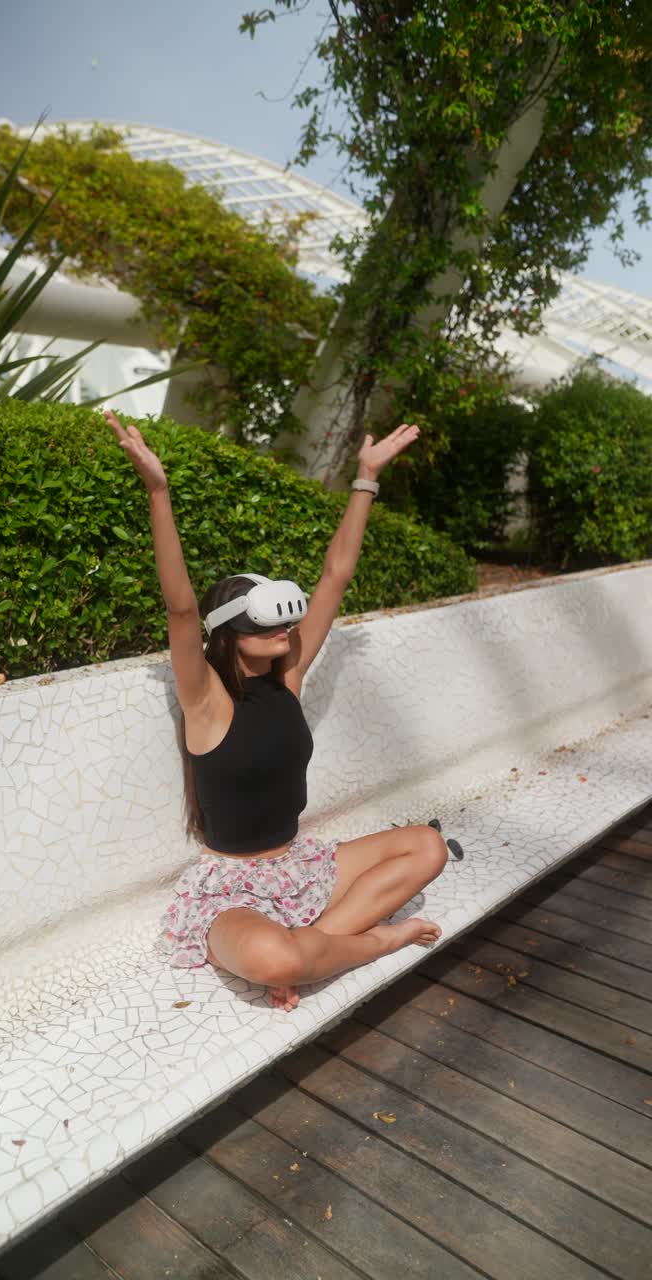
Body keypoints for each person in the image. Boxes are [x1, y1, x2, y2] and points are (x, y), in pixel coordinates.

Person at [105, 410, 447, 1012]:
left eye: (287, 625)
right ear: (229, 636)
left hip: (299, 867)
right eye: (266, 626)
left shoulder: (288, 676)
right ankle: (373, 941)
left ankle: (315, 947)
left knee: (429, 846)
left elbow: (335, 575)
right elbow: (181, 609)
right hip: (233, 889)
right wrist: (158, 492)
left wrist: (366, 476)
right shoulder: (206, 700)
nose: (286, 634)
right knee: (274, 961)